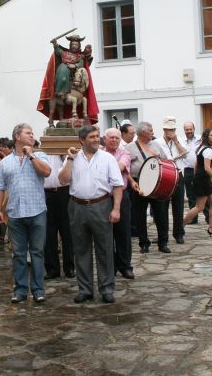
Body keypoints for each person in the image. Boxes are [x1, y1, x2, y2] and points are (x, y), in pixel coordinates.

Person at [59, 126, 124, 304]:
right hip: (77, 206)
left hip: (101, 205)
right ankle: (85, 289)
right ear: (82, 140)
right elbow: (63, 179)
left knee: (105, 249)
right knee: (80, 249)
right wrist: (70, 160)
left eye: (97, 136)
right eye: (92, 137)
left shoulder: (107, 158)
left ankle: (107, 289)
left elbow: (117, 185)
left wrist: (116, 208)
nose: (96, 139)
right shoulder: (72, 158)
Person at [0, 123, 51, 303]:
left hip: (37, 212)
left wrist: (31, 155)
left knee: (37, 252)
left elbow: (47, 172)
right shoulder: (5, 162)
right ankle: (20, 290)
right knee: (18, 254)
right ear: (17, 137)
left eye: (32, 133)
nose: (32, 135)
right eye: (28, 133)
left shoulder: (40, 155)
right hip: (15, 214)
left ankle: (38, 290)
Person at [37, 33, 100, 124]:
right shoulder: (65, 53)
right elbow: (58, 51)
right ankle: (60, 91)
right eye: (73, 44)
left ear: (79, 46)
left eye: (76, 45)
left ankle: (81, 106)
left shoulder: (80, 56)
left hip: (74, 72)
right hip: (63, 70)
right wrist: (55, 43)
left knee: (80, 78)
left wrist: (74, 65)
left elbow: (81, 64)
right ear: (70, 45)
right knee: (63, 74)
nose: (74, 46)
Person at [126, 122, 167, 253]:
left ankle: (163, 243)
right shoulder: (129, 148)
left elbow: (165, 160)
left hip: (156, 182)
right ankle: (144, 243)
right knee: (140, 215)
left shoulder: (155, 144)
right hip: (138, 183)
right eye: (150, 130)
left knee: (160, 213)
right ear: (143, 132)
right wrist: (132, 182)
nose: (153, 132)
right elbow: (125, 169)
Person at [103, 128, 134, 279]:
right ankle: (112, 265)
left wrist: (103, 164)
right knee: (106, 234)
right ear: (105, 139)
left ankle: (125, 266)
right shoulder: (99, 153)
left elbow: (119, 168)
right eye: (111, 138)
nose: (114, 140)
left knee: (123, 232)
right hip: (103, 198)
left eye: (117, 138)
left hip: (121, 196)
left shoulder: (125, 153)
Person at [183, 129, 212, 236]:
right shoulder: (207, 150)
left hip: (202, 179)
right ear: (207, 137)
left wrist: (195, 177)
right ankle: (180, 225)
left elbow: (196, 165)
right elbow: (207, 168)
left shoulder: (203, 148)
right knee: (199, 207)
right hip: (202, 180)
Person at [154, 116, 188, 245]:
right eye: (168, 129)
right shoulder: (157, 142)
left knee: (178, 206)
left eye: (173, 129)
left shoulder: (179, 140)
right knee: (162, 207)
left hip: (178, 174)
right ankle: (163, 234)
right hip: (164, 176)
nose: (170, 132)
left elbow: (185, 154)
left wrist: (176, 141)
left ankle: (179, 233)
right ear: (163, 129)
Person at [42, 151, 74, 280]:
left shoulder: (67, 152)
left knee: (67, 232)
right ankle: (52, 268)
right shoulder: (42, 154)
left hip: (64, 193)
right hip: (46, 193)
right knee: (49, 232)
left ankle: (70, 266)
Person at [183, 122, 209, 225]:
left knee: (204, 194)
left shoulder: (201, 139)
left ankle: (208, 217)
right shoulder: (182, 141)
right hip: (188, 170)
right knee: (190, 195)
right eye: (187, 129)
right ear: (184, 130)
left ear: (194, 129)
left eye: (190, 129)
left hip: (200, 170)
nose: (189, 131)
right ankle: (193, 218)